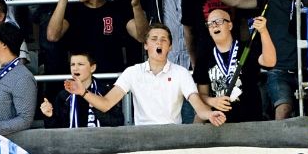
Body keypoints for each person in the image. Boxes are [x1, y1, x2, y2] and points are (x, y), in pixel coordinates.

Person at [71, 22, 224, 128]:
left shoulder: (181, 73)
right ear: (146, 45)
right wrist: (83, 92)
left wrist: (210, 115)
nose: (159, 43)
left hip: (172, 135)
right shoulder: (132, 72)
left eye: (164, 40)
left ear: (170, 47)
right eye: (154, 39)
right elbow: (106, 104)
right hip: (143, 136)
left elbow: (198, 105)